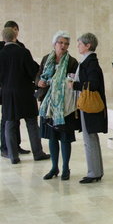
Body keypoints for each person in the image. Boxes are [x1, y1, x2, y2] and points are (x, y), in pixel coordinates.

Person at [0, 28, 49, 164]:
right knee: (32, 123)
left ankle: (13, 156)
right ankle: (38, 153)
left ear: (4, 38)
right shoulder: (23, 52)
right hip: (25, 92)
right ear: (16, 36)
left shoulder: (1, 53)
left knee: (9, 123)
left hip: (8, 94)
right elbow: (33, 70)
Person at [37, 31, 79, 180]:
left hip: (64, 107)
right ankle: (54, 167)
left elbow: (73, 82)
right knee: (52, 138)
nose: (63, 46)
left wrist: (61, 83)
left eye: (66, 44)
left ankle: (66, 168)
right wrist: (39, 82)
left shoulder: (72, 62)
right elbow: (40, 76)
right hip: (48, 106)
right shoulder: (45, 59)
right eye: (61, 43)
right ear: (54, 44)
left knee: (65, 138)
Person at [71, 33, 107, 184]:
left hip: (90, 105)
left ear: (88, 46)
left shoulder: (90, 62)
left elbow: (93, 84)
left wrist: (75, 85)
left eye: (80, 44)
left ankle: (94, 173)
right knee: (90, 138)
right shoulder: (87, 61)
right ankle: (96, 171)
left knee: (89, 138)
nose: (78, 46)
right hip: (88, 104)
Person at [0, 20, 30, 158]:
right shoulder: (2, 47)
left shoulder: (21, 47)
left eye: (14, 29)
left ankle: (15, 145)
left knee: (16, 118)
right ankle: (5, 147)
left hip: (19, 90)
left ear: (17, 30)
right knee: (6, 119)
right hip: (5, 89)